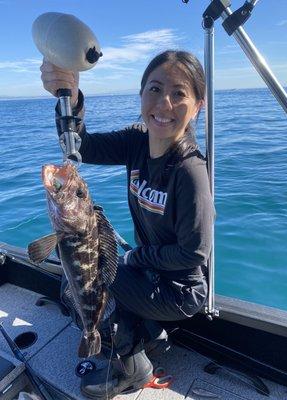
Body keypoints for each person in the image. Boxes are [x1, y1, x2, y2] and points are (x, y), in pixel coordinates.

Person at [40, 50, 215, 399]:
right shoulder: (137, 140)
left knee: (96, 280)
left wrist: (137, 258)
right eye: (154, 88)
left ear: (198, 105)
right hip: (148, 272)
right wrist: (71, 98)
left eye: (179, 93)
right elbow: (82, 147)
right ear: (141, 95)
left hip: (179, 290)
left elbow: (194, 252)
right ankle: (139, 331)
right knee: (73, 282)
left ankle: (134, 369)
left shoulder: (190, 172)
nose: (164, 103)